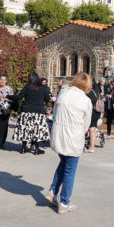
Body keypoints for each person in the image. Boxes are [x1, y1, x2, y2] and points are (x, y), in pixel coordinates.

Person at [44, 72, 93, 214]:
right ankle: (64, 202)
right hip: (73, 137)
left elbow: (54, 112)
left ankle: (53, 191)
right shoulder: (85, 100)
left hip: (59, 135)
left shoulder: (63, 93)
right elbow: (86, 123)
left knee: (63, 163)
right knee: (70, 170)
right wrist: (81, 132)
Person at [11, 72, 51, 155]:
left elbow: (19, 97)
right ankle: (36, 149)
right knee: (36, 130)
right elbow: (47, 99)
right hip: (38, 112)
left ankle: (23, 148)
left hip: (26, 111)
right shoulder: (43, 88)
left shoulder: (27, 87)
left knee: (25, 129)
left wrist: (8, 96)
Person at [86, 79, 104, 153]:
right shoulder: (96, 91)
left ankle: (91, 147)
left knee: (91, 129)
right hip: (97, 111)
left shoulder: (89, 92)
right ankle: (92, 146)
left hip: (93, 112)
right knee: (93, 128)